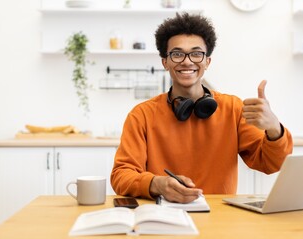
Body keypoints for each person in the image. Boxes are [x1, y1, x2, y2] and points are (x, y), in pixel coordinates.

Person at [111, 12, 293, 204]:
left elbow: (272, 164)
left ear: (207, 61)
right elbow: (121, 175)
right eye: (177, 54)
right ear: (165, 62)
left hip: (219, 217)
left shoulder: (233, 108)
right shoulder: (142, 115)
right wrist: (157, 184)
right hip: (163, 213)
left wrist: (273, 128)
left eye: (196, 53)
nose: (187, 61)